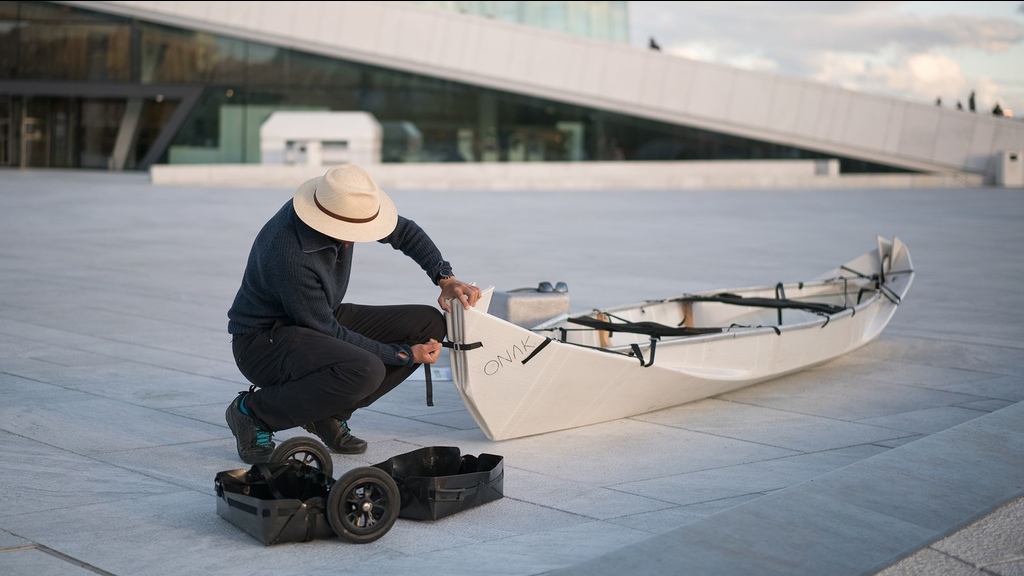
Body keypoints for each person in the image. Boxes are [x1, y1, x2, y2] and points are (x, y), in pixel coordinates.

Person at [225, 164, 482, 464]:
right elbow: (329, 331)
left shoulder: (333, 207)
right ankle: (253, 412)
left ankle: (327, 414)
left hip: (313, 319)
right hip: (263, 342)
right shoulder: (289, 255)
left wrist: (446, 278)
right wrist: (404, 355)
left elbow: (405, 232)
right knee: (366, 369)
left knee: (427, 324)